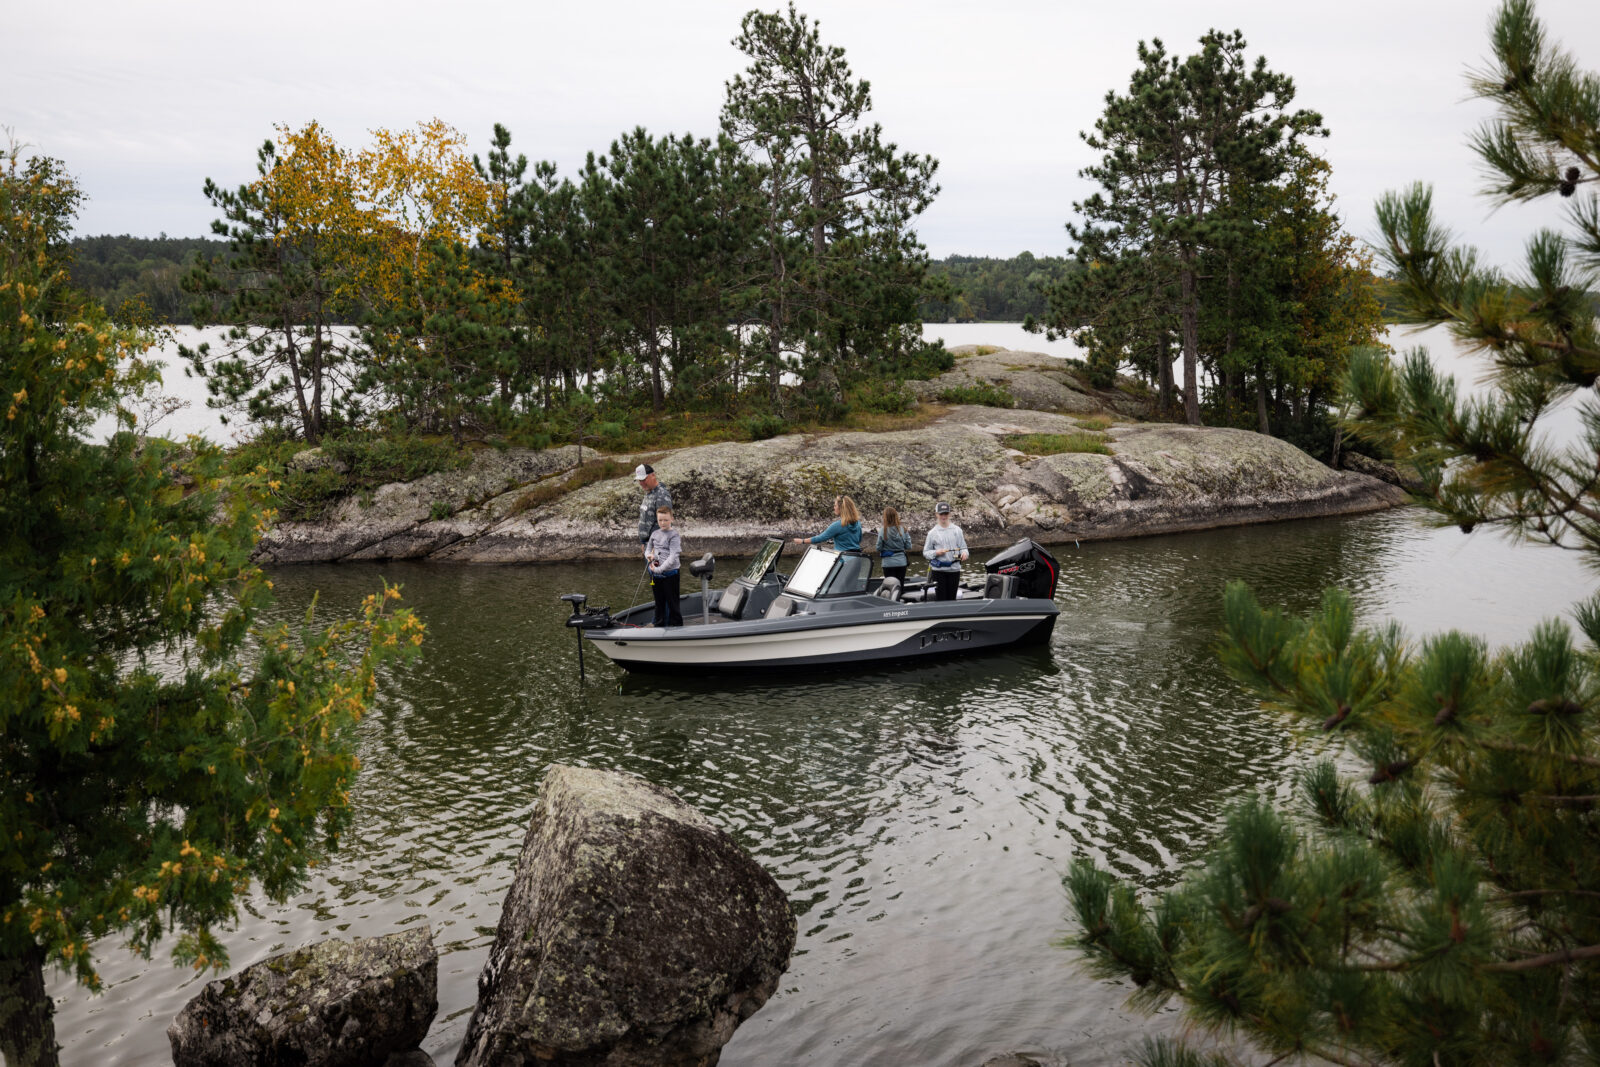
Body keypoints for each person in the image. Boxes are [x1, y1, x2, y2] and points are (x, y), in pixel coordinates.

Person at [921, 501, 969, 602]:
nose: (943, 516)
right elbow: (925, 552)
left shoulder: (957, 530)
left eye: (946, 513)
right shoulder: (932, 533)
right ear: (936, 514)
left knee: (952, 600)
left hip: (954, 571)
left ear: (949, 514)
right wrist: (936, 553)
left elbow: (964, 548)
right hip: (938, 572)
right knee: (941, 600)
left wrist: (965, 553)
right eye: (941, 514)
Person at [646, 505, 683, 627]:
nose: (662, 523)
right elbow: (648, 549)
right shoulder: (654, 533)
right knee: (659, 602)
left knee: (673, 603)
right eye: (660, 520)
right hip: (655, 574)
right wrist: (649, 556)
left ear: (672, 519)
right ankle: (659, 625)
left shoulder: (674, 535)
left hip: (670, 574)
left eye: (666, 520)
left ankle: (676, 626)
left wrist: (659, 569)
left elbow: (673, 557)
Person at [792, 495, 863, 552]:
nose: (834, 508)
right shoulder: (858, 523)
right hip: (856, 559)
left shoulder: (838, 525)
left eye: (835, 505)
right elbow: (858, 540)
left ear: (841, 508)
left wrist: (802, 541)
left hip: (842, 561)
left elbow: (820, 538)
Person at [635, 463, 672, 559]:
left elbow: (666, 523)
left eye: (643, 479)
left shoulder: (661, 495)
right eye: (639, 480)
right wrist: (644, 542)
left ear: (653, 475)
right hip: (648, 546)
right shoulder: (649, 493)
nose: (641, 483)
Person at [875, 506, 912, 584]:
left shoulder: (882, 530)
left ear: (885, 517)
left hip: (888, 564)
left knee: (890, 587)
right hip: (901, 563)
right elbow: (908, 546)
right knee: (900, 587)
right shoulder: (904, 529)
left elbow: (878, 548)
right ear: (896, 516)